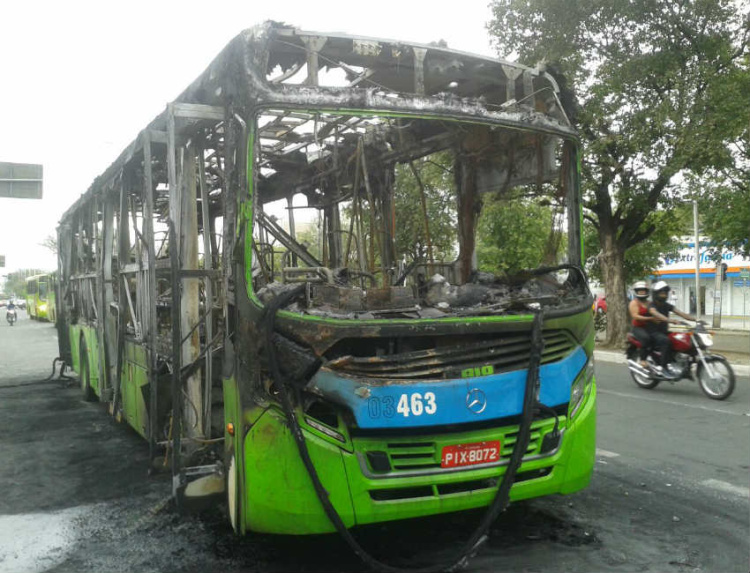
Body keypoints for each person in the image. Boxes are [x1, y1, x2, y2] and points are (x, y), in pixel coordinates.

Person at [648, 281, 697, 372]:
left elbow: (681, 313)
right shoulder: (652, 305)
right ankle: (662, 367)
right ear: (656, 294)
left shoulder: (667, 305)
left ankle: (682, 363)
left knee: (681, 338)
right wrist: (670, 320)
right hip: (653, 333)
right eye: (662, 293)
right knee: (666, 341)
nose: (664, 295)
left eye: (665, 293)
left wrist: (695, 319)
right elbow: (656, 314)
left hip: (664, 331)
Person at [628, 281, 665, 369]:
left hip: (650, 327)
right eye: (640, 291)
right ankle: (643, 360)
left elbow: (657, 312)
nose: (642, 292)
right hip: (638, 328)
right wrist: (650, 319)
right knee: (646, 338)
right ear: (636, 292)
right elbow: (635, 316)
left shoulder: (649, 303)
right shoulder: (634, 303)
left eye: (643, 290)